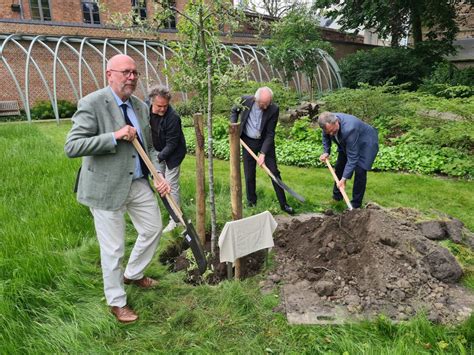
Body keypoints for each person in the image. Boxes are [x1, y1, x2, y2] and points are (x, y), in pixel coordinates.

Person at [64, 54, 170, 324]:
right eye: (126, 72)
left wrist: (158, 173)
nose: (132, 77)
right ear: (109, 74)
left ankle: (132, 274)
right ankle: (116, 301)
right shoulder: (92, 103)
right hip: (105, 187)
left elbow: (149, 148)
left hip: (136, 182)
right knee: (113, 249)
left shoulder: (140, 106)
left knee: (153, 229)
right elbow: (72, 146)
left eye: (135, 72)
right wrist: (115, 136)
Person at [230, 86, 294, 214]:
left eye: (267, 104)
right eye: (262, 104)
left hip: (265, 142)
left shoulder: (273, 109)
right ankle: (251, 203)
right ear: (255, 99)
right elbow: (234, 110)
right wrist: (233, 127)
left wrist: (263, 153)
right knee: (249, 174)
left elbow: (270, 133)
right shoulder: (244, 100)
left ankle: (284, 204)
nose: (265, 107)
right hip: (247, 141)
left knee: (274, 172)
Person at [318, 111, 379, 209]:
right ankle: (337, 198)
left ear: (336, 122)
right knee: (339, 166)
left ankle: (355, 204)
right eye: (329, 132)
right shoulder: (326, 123)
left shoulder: (349, 129)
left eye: (333, 131)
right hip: (348, 142)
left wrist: (344, 178)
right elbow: (325, 136)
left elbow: (352, 157)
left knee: (360, 170)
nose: (331, 134)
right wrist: (326, 152)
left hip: (366, 143)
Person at [148, 85, 187, 233]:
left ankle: (176, 220)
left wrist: (158, 158)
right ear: (152, 102)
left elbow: (172, 144)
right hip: (156, 151)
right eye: (159, 106)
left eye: (165, 106)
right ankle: (171, 212)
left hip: (173, 154)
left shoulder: (173, 118)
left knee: (170, 186)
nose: (163, 109)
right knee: (160, 185)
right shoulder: (145, 111)